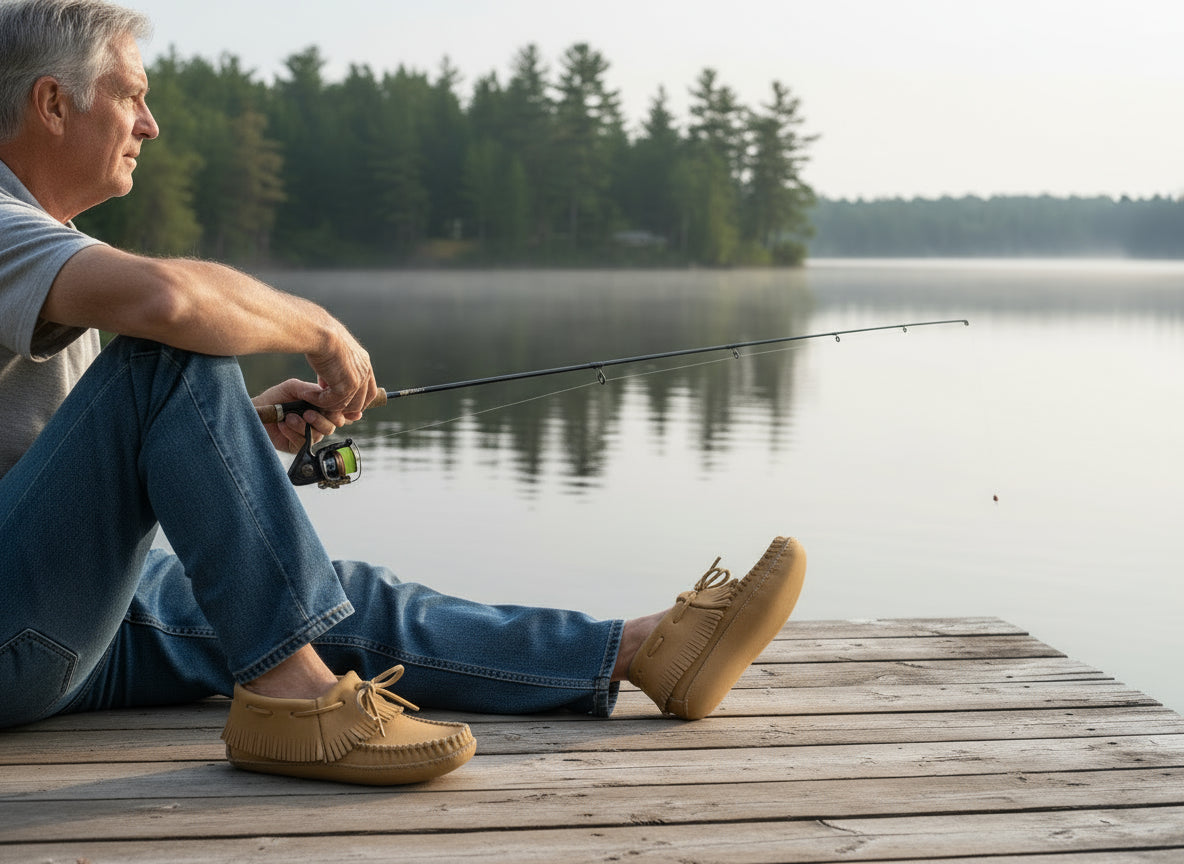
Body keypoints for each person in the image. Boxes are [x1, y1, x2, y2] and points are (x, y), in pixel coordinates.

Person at [0, 0, 806, 786]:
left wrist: (226, 435)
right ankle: (295, 702)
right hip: (17, 633)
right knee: (173, 348)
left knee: (329, 597)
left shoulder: (47, 244)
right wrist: (321, 330)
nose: (151, 124)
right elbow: (171, 307)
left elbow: (51, 472)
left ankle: (640, 652)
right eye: (134, 95)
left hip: (52, 620)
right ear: (52, 103)